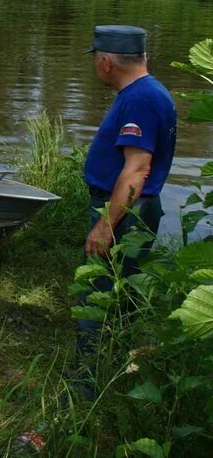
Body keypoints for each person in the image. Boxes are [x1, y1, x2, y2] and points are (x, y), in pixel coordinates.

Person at [74, 25, 176, 367]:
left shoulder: (140, 99)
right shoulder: (149, 92)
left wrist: (106, 224)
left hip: (126, 212)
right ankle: (116, 365)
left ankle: (86, 381)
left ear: (106, 62)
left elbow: (137, 169)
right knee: (122, 293)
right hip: (134, 208)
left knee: (99, 295)